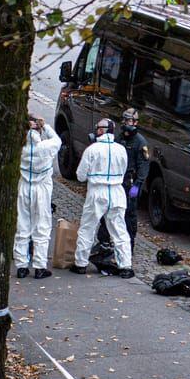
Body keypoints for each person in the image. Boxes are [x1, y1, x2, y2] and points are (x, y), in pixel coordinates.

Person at [71, 118, 132, 277]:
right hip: (116, 191)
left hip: (97, 191)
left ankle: (81, 263)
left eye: (98, 127)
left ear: (102, 130)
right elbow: (125, 170)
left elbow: (80, 176)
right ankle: (125, 265)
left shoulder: (92, 149)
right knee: (119, 230)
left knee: (87, 228)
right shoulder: (121, 149)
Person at [14, 116, 62, 279]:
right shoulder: (46, 147)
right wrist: (46, 126)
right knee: (42, 227)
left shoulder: (20, 148)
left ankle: (21, 266)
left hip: (24, 186)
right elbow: (57, 140)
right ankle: (39, 266)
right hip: (41, 189)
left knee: (23, 225)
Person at [118, 108, 147, 244]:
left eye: (130, 120)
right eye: (125, 120)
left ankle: (130, 242)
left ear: (135, 122)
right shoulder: (120, 137)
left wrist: (137, 186)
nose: (127, 123)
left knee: (130, 213)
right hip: (118, 180)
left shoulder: (140, 142)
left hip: (131, 182)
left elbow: (143, 167)